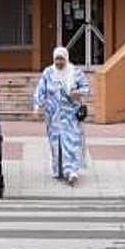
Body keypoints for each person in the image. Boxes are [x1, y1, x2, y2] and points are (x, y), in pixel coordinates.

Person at [33, 46, 90, 186]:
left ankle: (71, 171)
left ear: (66, 58)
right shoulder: (48, 73)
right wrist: (37, 106)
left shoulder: (75, 72)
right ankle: (59, 170)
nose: (59, 62)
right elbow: (40, 90)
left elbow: (86, 88)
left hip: (71, 116)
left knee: (71, 141)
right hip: (53, 117)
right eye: (57, 59)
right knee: (56, 144)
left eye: (61, 59)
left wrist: (78, 92)